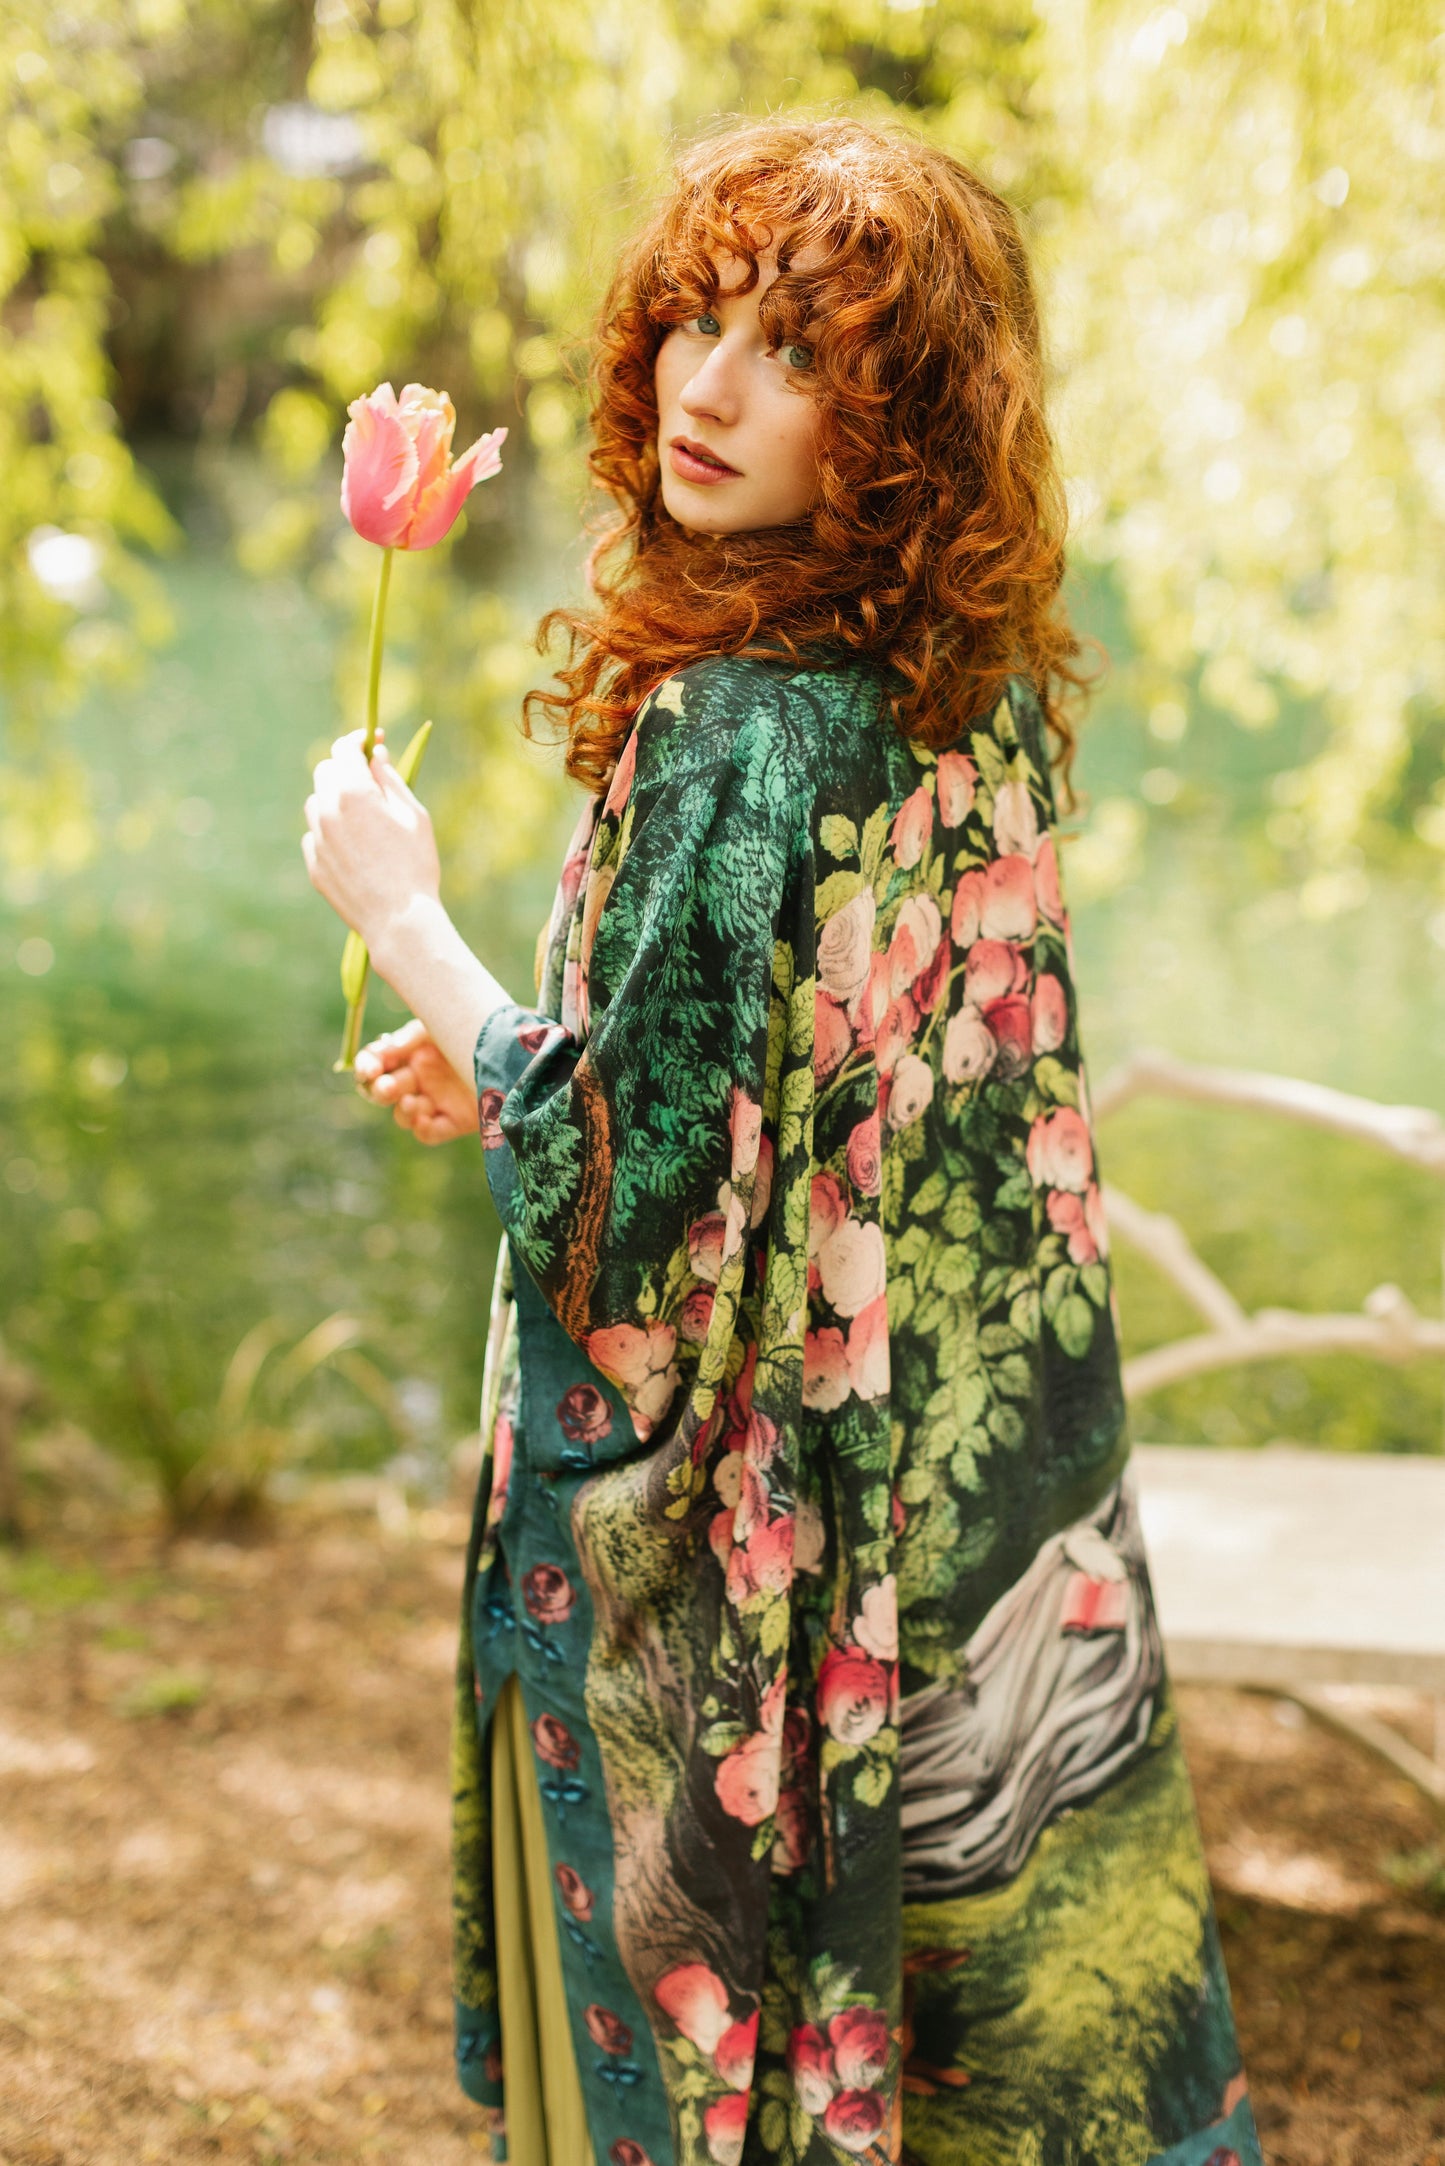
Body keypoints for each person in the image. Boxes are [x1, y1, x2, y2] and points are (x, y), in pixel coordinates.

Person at [302, 116, 1262, 2166]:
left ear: (898, 417)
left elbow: (643, 1204)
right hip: (948, 1504)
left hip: (759, 1560)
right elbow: (816, 1080)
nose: (713, 389)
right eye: (694, 324)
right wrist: (512, 1057)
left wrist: (408, 922)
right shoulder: (954, 680)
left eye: (801, 353)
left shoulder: (740, 715)